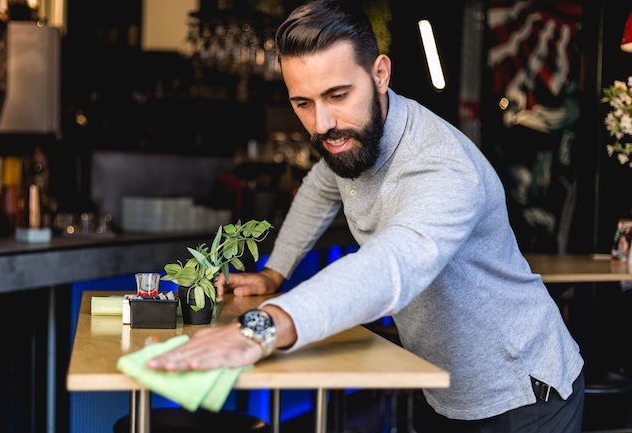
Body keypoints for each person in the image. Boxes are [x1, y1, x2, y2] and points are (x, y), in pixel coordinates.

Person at [147, 1, 585, 431]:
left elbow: (392, 263)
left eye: (338, 95)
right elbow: (319, 189)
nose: (322, 124)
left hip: (523, 393)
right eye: (303, 103)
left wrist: (264, 325)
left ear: (380, 74)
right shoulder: (353, 143)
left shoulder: (442, 166)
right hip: (443, 387)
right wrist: (274, 273)